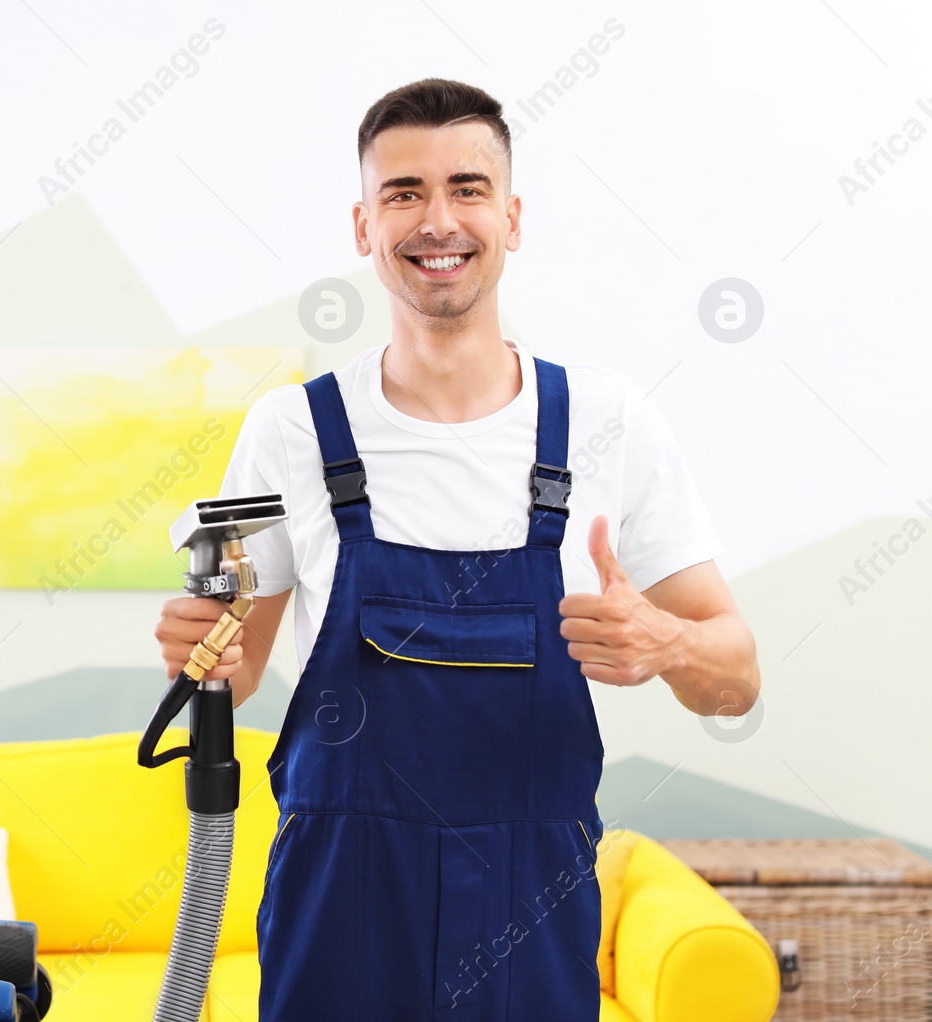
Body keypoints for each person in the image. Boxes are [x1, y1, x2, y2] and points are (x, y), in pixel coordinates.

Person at [153, 78, 760, 1019]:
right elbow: (231, 676)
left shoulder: (606, 421)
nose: (438, 220)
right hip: (338, 901)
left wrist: (667, 644)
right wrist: (197, 651)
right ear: (364, 226)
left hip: (531, 904)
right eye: (404, 194)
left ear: (512, 218)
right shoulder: (291, 432)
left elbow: (739, 681)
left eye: (467, 188)